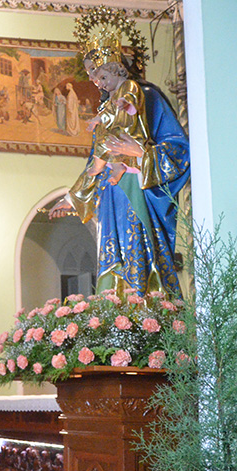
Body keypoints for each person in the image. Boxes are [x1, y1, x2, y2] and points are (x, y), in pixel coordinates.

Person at [49, 32, 189, 297]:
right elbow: (96, 161)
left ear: (113, 66)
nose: (93, 79)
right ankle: (117, 309)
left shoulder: (146, 96)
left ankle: (146, 303)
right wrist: (72, 197)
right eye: (90, 73)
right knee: (114, 254)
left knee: (138, 249)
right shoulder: (106, 113)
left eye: (96, 71)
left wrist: (140, 153)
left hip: (138, 187)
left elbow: (180, 151)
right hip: (111, 191)